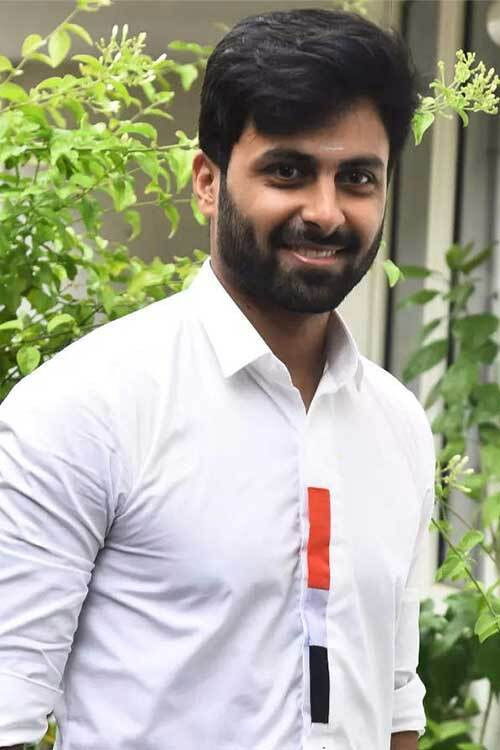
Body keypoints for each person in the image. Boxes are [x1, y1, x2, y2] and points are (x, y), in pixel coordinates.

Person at [0, 8, 435, 750]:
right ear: (208, 182)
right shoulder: (85, 408)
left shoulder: (396, 423)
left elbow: (395, 701)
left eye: (357, 178)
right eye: (288, 171)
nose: (325, 212)